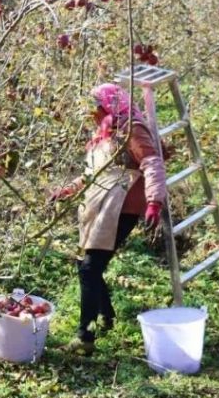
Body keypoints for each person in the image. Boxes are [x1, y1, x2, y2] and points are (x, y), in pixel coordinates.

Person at [62, 82, 168, 355]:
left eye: (95, 107)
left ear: (107, 105)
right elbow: (92, 173)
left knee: (89, 268)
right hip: (100, 205)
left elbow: (152, 162)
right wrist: (70, 189)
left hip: (122, 207)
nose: (92, 113)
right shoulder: (104, 132)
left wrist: (154, 201)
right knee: (88, 265)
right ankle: (106, 317)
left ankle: (85, 336)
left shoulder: (132, 128)